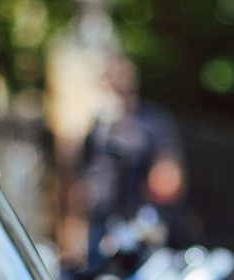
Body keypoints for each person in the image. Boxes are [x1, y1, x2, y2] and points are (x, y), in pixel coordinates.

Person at [77, 54, 186, 265]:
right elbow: (83, 173)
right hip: (101, 224)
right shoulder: (98, 127)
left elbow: (169, 180)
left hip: (139, 226)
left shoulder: (152, 122)